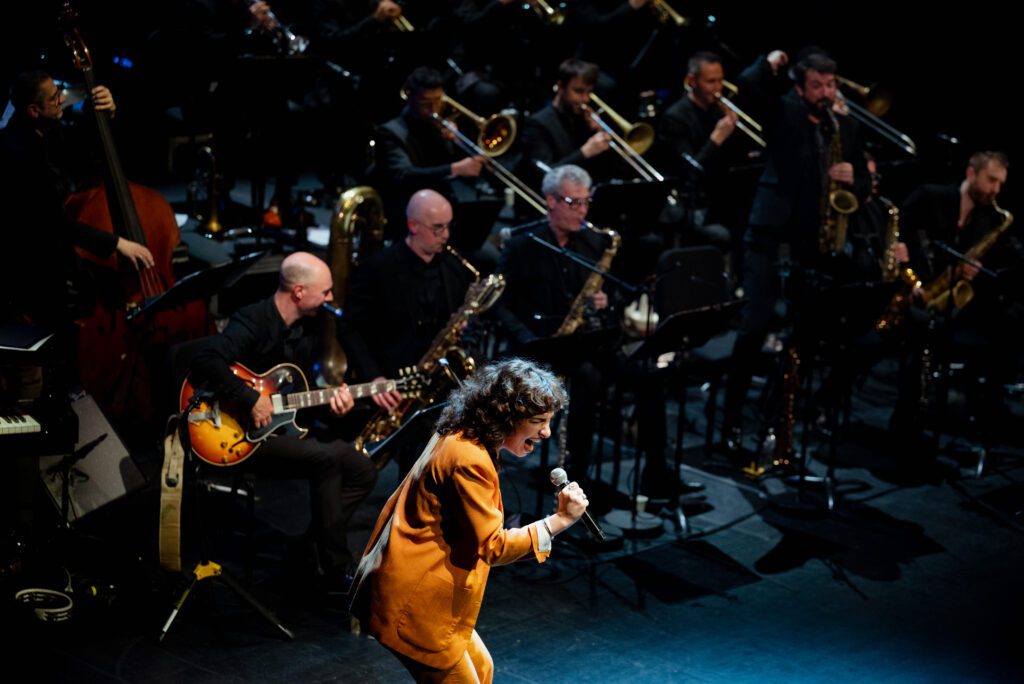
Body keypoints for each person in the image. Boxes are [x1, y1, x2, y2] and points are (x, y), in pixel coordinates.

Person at [348, 357, 587, 682]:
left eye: (548, 420)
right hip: (414, 604)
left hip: (429, 597)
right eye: (538, 421)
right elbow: (494, 546)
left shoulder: (464, 434)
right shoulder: (468, 458)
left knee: (483, 669)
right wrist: (559, 520)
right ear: (507, 417)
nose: (546, 431)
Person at [188, 252, 378, 590]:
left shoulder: (311, 328)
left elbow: (298, 398)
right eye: (326, 292)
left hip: (279, 430)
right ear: (299, 292)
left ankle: (305, 551)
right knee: (327, 458)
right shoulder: (254, 319)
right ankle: (336, 567)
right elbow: (204, 357)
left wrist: (332, 405)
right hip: (237, 435)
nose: (331, 299)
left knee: (362, 469)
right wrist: (249, 398)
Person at [720, 49, 871, 452]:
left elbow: (863, 186)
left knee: (805, 334)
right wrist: (768, 63)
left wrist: (854, 178)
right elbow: (747, 89)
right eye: (817, 85)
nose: (825, 92)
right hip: (768, 238)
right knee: (755, 326)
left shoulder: (844, 126)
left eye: (831, 84)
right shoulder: (785, 111)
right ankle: (730, 422)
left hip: (811, 243)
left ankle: (777, 420)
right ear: (802, 88)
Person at [0, 70, 154, 331]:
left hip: (51, 256)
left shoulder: (45, 129)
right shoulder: (18, 154)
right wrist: (118, 243)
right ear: (34, 110)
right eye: (55, 97)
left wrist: (107, 112)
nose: (63, 99)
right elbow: (54, 223)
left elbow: (82, 147)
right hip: (29, 269)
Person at [338, 189, 479, 470]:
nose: (446, 235)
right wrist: (373, 377)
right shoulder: (378, 268)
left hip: (439, 380)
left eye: (448, 226)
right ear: (413, 226)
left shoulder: (453, 267)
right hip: (393, 381)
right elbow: (349, 328)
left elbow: (468, 320)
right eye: (438, 228)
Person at [492, 164, 613, 484]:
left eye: (586, 203)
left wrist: (603, 301)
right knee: (586, 375)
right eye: (574, 203)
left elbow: (605, 291)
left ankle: (578, 469)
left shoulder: (592, 243)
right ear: (551, 201)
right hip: (532, 343)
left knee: (600, 372)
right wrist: (527, 338)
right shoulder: (522, 244)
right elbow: (499, 305)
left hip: (573, 343)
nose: (582, 211)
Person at [895, 150, 1022, 445]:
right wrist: (908, 274)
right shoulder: (931, 196)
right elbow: (895, 232)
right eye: (991, 180)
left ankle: (981, 404)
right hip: (912, 290)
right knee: (924, 330)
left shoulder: (991, 218)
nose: (996, 190)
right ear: (970, 174)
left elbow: (1005, 261)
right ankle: (907, 420)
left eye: (1001, 184)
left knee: (1012, 317)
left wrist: (980, 269)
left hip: (951, 302)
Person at [655, 51, 783, 256]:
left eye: (720, 80)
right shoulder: (675, 118)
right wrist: (717, 138)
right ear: (691, 81)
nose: (718, 88)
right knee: (729, 232)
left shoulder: (719, 111)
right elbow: (691, 173)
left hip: (724, 196)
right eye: (710, 81)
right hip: (692, 203)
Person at [370, 66, 487, 238]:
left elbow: (463, 173)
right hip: (407, 217)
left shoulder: (438, 128)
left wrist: (455, 143)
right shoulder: (389, 132)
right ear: (410, 97)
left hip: (443, 210)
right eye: (425, 103)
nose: (434, 109)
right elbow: (403, 175)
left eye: (438, 100)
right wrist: (454, 168)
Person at [518, 58, 615, 191]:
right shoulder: (537, 123)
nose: (585, 99)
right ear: (561, 87)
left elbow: (609, 170)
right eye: (578, 91)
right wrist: (585, 152)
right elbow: (545, 175)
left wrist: (597, 131)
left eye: (588, 92)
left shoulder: (585, 120)